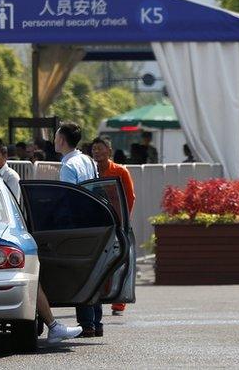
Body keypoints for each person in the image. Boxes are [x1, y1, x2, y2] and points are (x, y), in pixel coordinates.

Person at [54, 122, 100, 337]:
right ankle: (96, 323)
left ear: (62, 140)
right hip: (93, 222)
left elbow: (68, 198)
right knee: (92, 272)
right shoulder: (88, 161)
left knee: (79, 274)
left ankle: (87, 324)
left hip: (77, 225)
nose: (54, 141)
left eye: (56, 137)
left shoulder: (68, 166)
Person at [90, 136, 136, 318]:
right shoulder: (91, 171)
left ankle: (119, 302)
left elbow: (130, 197)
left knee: (120, 260)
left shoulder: (120, 171)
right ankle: (99, 296)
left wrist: (123, 220)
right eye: (94, 149)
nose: (96, 152)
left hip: (119, 223)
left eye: (100, 148)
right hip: (99, 223)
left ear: (109, 150)